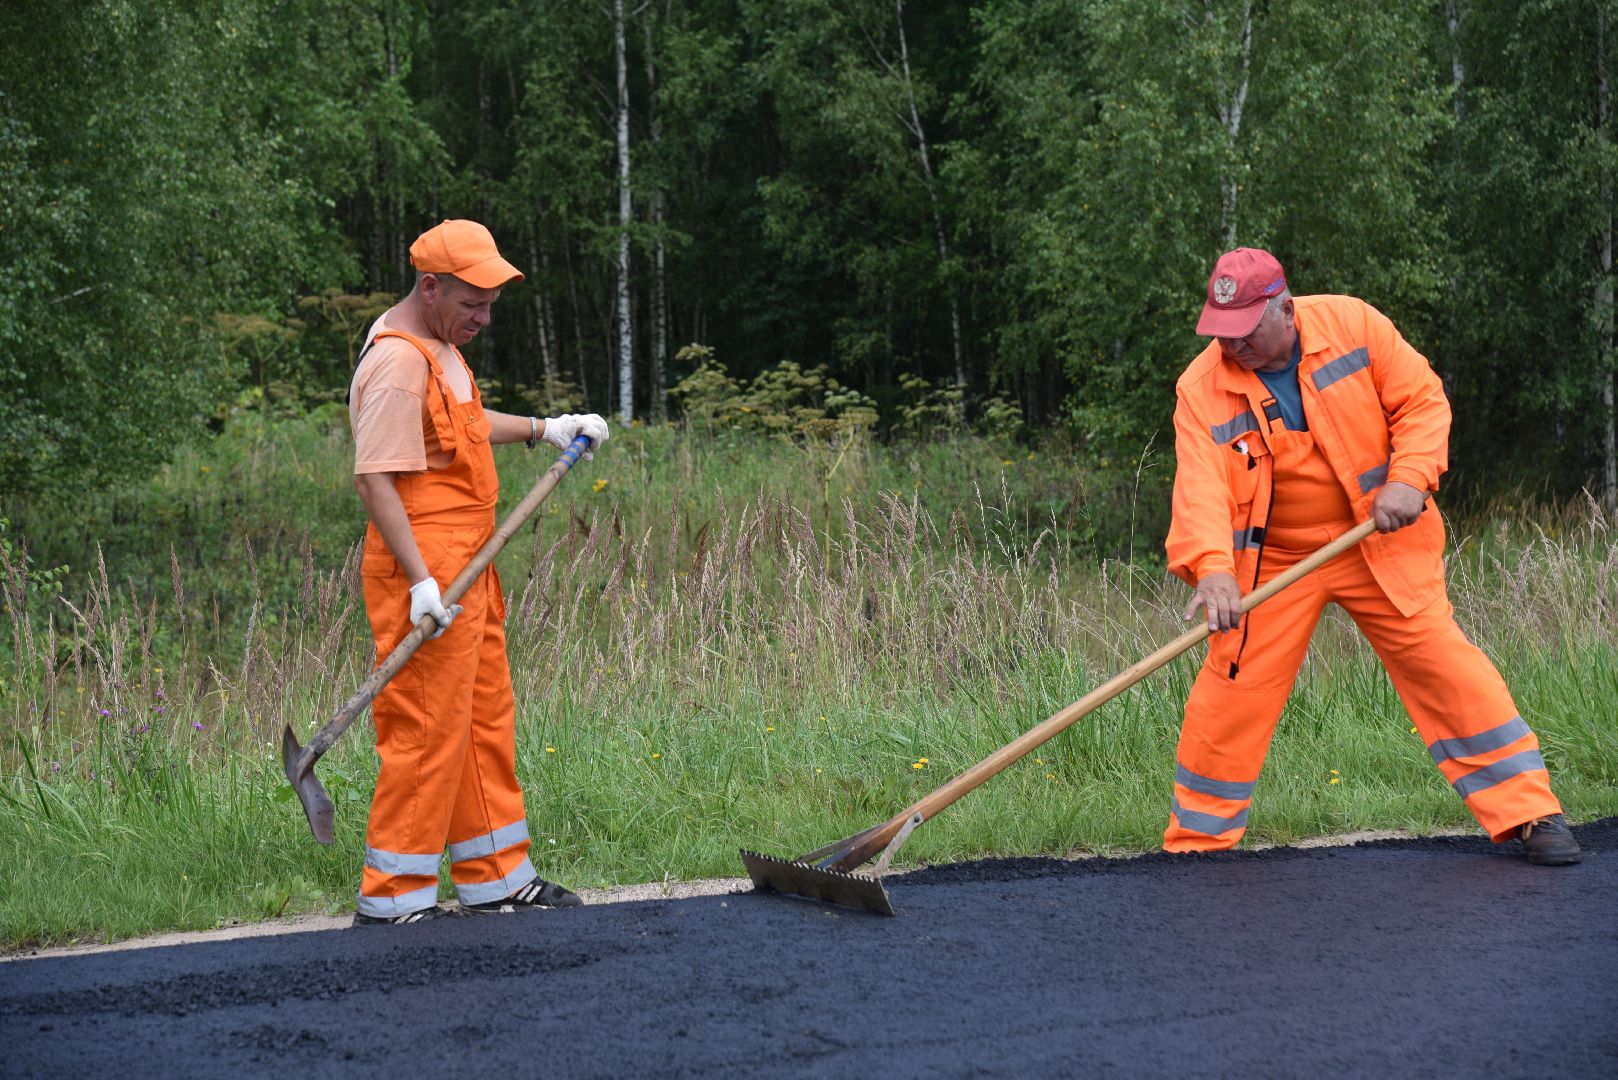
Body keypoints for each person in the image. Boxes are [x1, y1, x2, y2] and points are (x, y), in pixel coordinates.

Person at [1163, 247, 1579, 866]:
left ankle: (1529, 813)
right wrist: (1214, 572)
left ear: (1285, 306)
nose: (1233, 347)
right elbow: (1200, 488)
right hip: (1272, 563)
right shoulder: (1201, 388)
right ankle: (1197, 844)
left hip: (1376, 539)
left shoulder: (1355, 324)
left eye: (1246, 332)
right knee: (1230, 693)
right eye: (1222, 334)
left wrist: (1410, 479)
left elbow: (1422, 401)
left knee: (1446, 666)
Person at [347, 219, 611, 924]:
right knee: (427, 731)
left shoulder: (439, 347)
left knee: (482, 722)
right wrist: (421, 584)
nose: (485, 318)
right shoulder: (399, 364)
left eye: (492, 304)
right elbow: (374, 480)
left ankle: (496, 880)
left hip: (469, 562)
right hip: (424, 571)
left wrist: (541, 427)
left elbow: (460, 425)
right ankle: (394, 901)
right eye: (473, 303)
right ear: (431, 288)